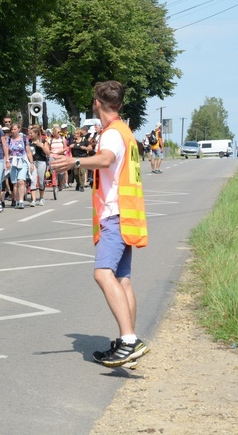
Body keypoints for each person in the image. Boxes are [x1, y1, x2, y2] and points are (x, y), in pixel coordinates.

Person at [52, 80, 149, 368]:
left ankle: (129, 340)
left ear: (97, 103)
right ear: (119, 103)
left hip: (115, 214)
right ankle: (126, 342)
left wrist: (75, 163)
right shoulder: (125, 131)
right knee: (122, 279)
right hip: (126, 213)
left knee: (102, 274)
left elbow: (106, 160)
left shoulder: (111, 135)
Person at [6, 123, 34, 209]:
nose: (13, 131)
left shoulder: (24, 138)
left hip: (22, 161)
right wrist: (6, 161)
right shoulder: (9, 139)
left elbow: (28, 151)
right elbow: (6, 151)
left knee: (21, 181)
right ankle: (17, 200)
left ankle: (21, 201)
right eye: (12, 130)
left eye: (15, 129)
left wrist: (31, 163)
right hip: (12, 161)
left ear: (19, 129)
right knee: (15, 184)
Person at [28, 125, 49, 206]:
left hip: (41, 162)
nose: (30, 135)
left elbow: (48, 153)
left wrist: (42, 146)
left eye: (32, 133)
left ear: (36, 133)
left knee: (40, 181)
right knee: (33, 180)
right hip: (32, 162)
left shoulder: (43, 141)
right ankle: (33, 200)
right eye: (30, 133)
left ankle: (41, 197)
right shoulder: (29, 142)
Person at [48, 124, 68, 191]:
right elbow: (48, 149)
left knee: (61, 173)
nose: (59, 133)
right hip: (53, 156)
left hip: (60, 156)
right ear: (54, 133)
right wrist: (49, 153)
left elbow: (65, 148)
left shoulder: (62, 139)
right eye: (57, 132)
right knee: (53, 170)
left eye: (59, 132)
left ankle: (61, 184)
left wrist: (61, 151)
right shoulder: (50, 140)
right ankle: (54, 182)